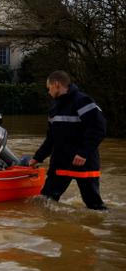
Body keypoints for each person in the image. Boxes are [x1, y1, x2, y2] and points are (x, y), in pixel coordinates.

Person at [28, 70, 107, 210]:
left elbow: (98, 128)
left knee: (95, 207)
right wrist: (37, 158)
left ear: (56, 84)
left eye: (49, 88)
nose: (48, 92)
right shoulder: (54, 109)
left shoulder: (82, 101)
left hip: (84, 163)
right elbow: (51, 139)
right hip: (60, 163)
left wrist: (83, 153)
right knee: (45, 201)